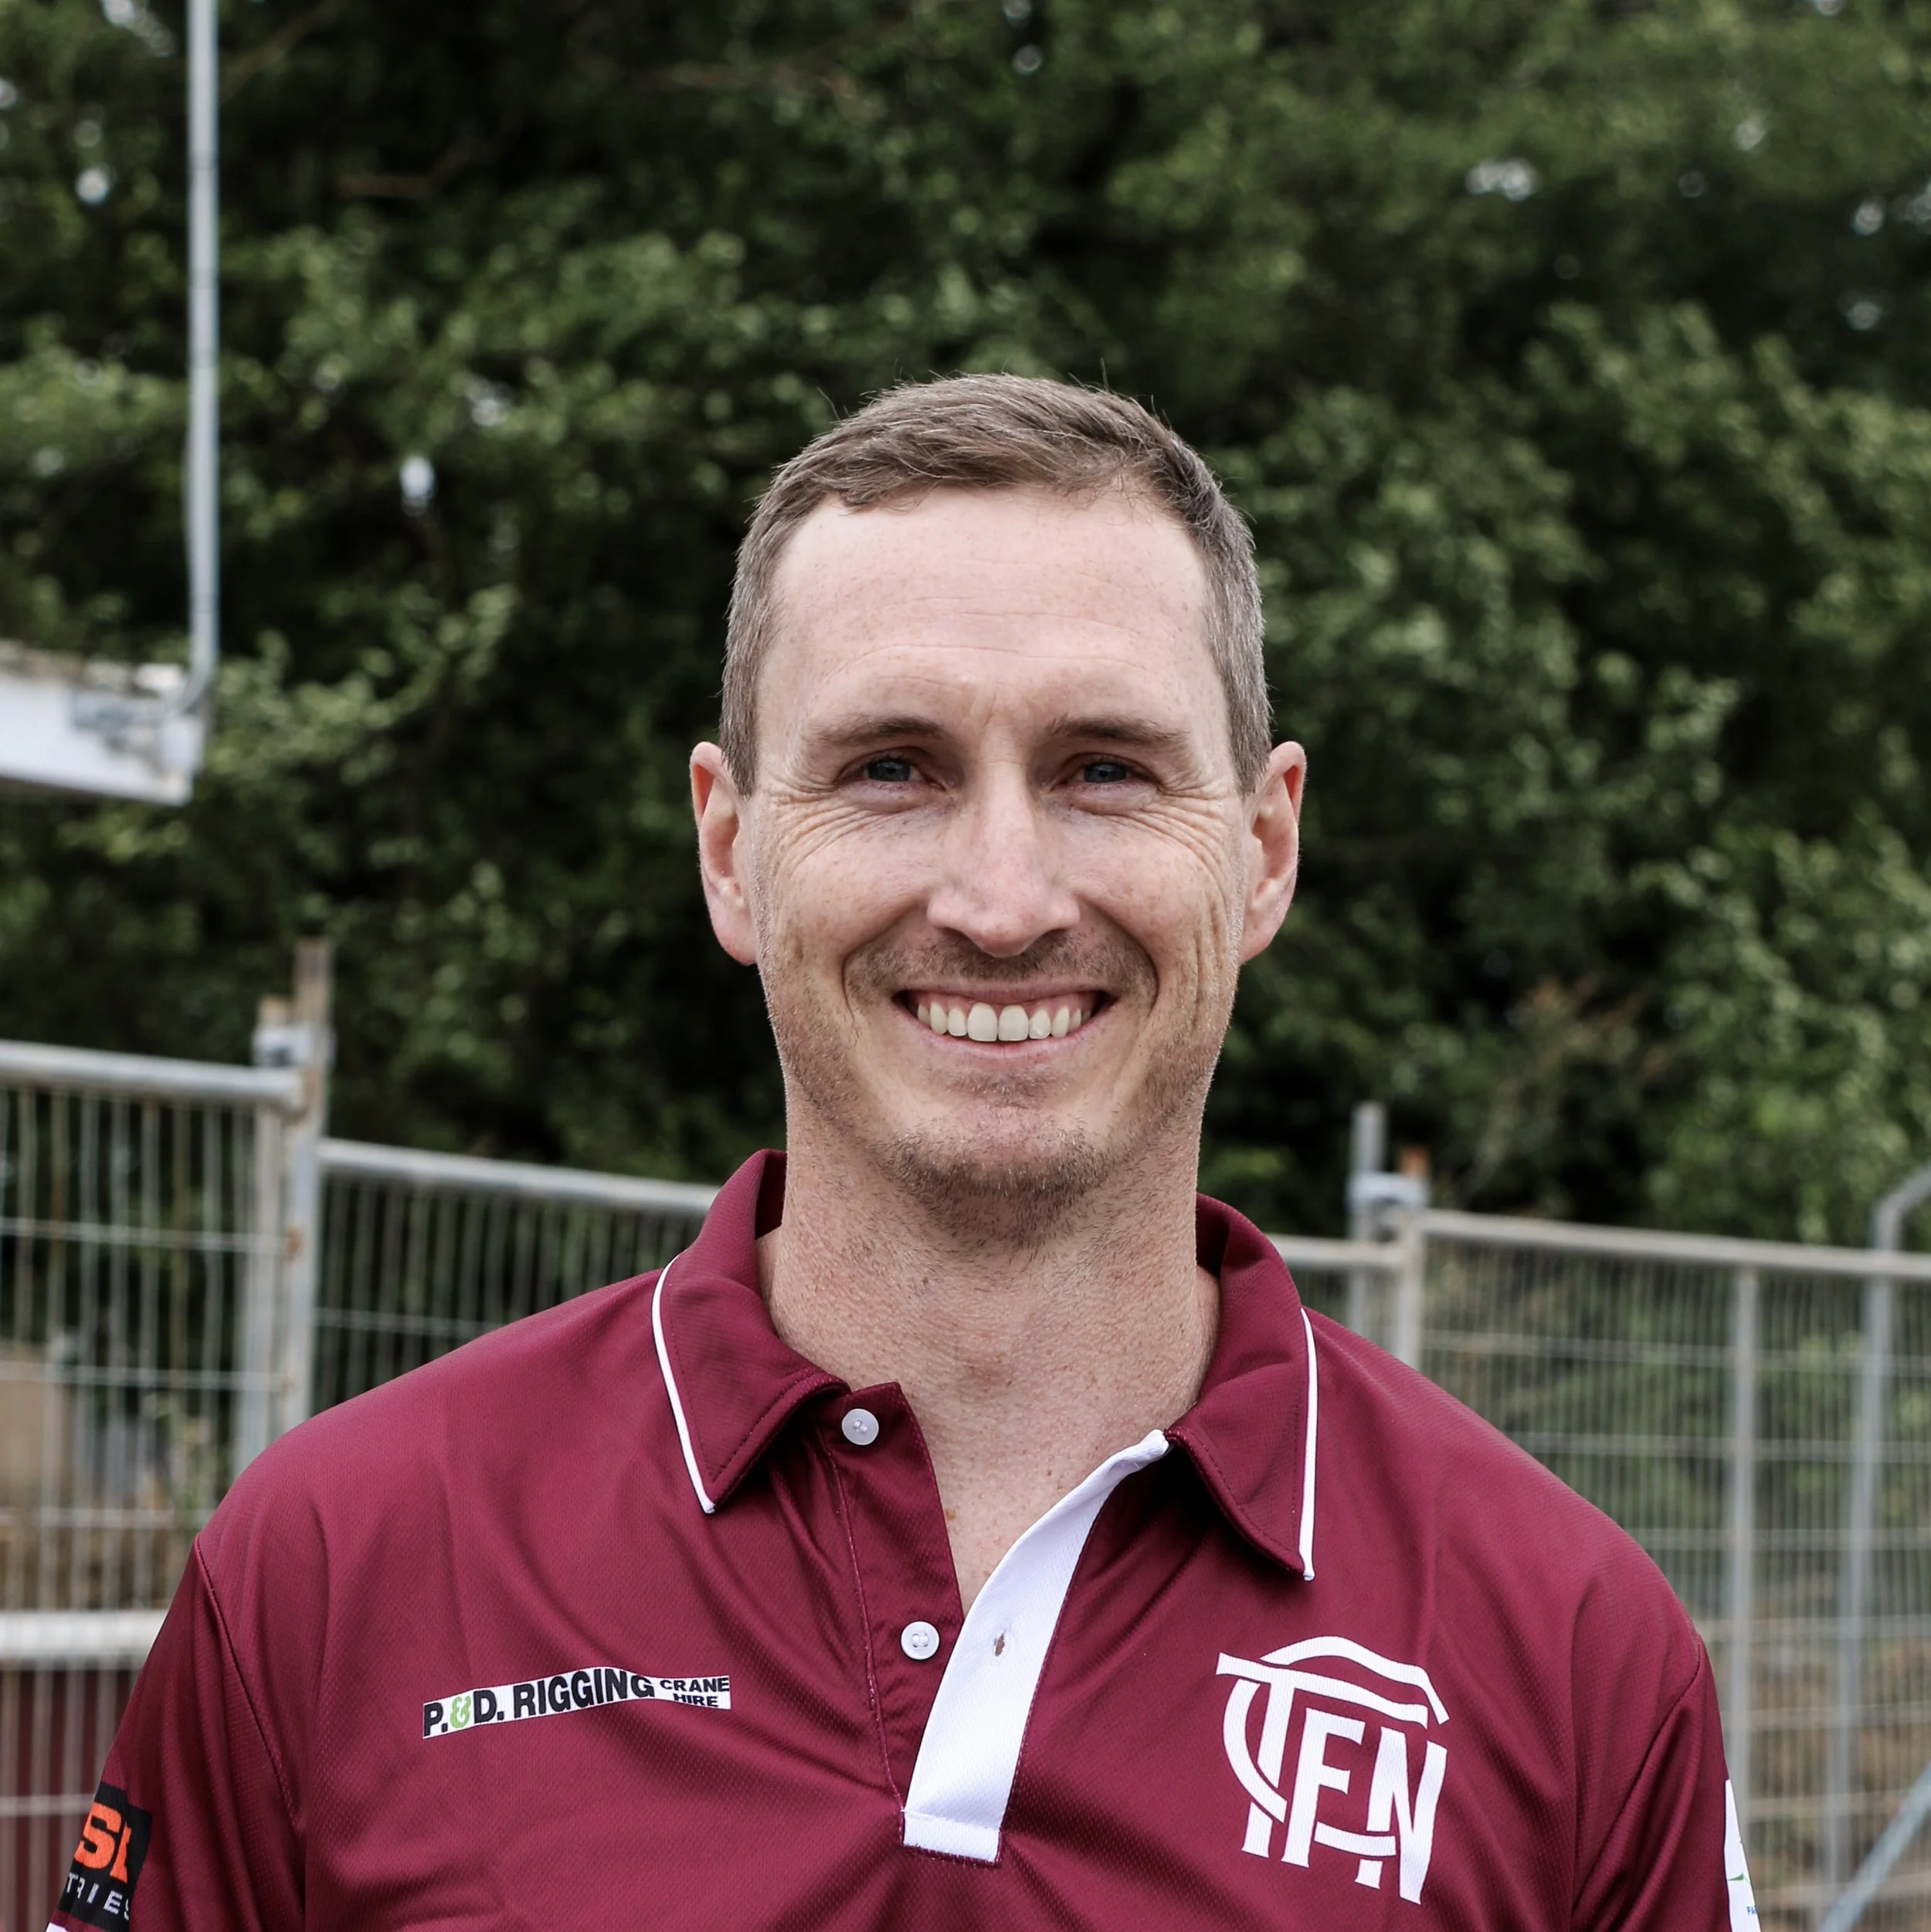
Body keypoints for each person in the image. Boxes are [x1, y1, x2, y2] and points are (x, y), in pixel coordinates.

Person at [53, 375, 1757, 1930]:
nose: (1002, 897)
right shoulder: (342, 1566)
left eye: (1103, 768)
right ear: (730, 849)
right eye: (890, 768)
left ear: (1259, 848)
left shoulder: (1574, 1663)